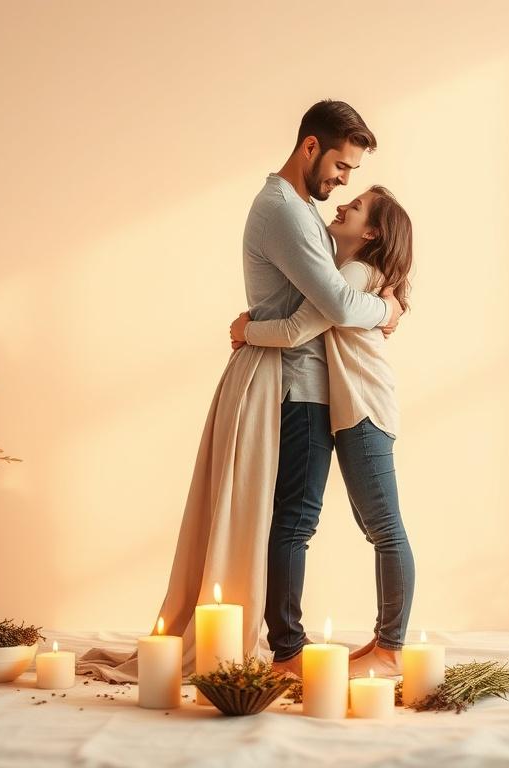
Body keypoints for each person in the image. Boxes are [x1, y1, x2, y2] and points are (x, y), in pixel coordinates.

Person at [75, 99, 401, 684]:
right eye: (341, 166)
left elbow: (320, 304)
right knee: (295, 520)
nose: (343, 180)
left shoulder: (302, 209)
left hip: (305, 381)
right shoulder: (284, 211)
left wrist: (257, 323)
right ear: (310, 147)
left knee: (294, 519)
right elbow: (333, 306)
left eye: (351, 174)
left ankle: (289, 642)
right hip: (296, 385)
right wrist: (387, 309)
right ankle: (287, 648)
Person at [230, 185, 415, 677]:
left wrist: (245, 330)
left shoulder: (353, 272)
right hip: (357, 411)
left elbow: (295, 329)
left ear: (371, 231)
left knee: (385, 528)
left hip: (363, 412)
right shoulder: (358, 274)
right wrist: (388, 308)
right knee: (375, 527)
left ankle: (390, 650)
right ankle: (381, 643)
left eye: (354, 207)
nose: (342, 205)